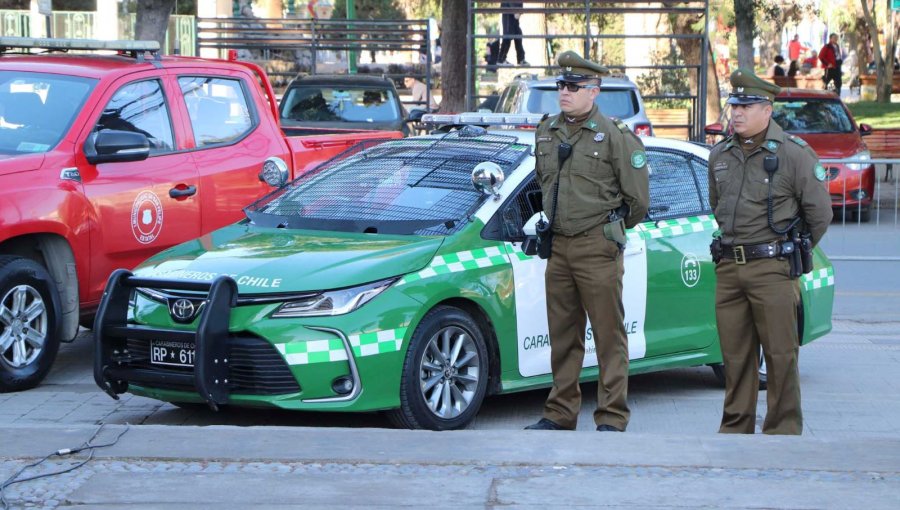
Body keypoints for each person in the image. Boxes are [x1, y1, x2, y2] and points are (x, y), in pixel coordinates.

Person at [524, 51, 649, 432]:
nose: (564, 91)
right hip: (558, 247)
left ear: (593, 92)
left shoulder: (615, 136)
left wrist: (607, 230)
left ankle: (611, 415)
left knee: (609, 335)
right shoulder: (547, 130)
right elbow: (541, 185)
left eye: (573, 86)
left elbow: (638, 201)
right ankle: (560, 412)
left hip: (597, 246)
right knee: (562, 334)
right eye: (561, 85)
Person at [707, 69, 832, 435]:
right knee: (735, 356)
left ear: (767, 109)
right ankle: (735, 428)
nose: (738, 113)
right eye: (735, 105)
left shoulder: (794, 155)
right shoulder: (721, 155)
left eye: (747, 106)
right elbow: (718, 207)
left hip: (773, 269)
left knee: (780, 355)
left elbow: (819, 215)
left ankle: (782, 431)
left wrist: (789, 250)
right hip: (730, 267)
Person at [498, 2, 528, 66]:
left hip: (513, 9)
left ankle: (521, 59)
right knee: (508, 34)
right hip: (508, 10)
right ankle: (501, 59)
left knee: (518, 34)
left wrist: (518, 11)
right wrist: (515, 10)